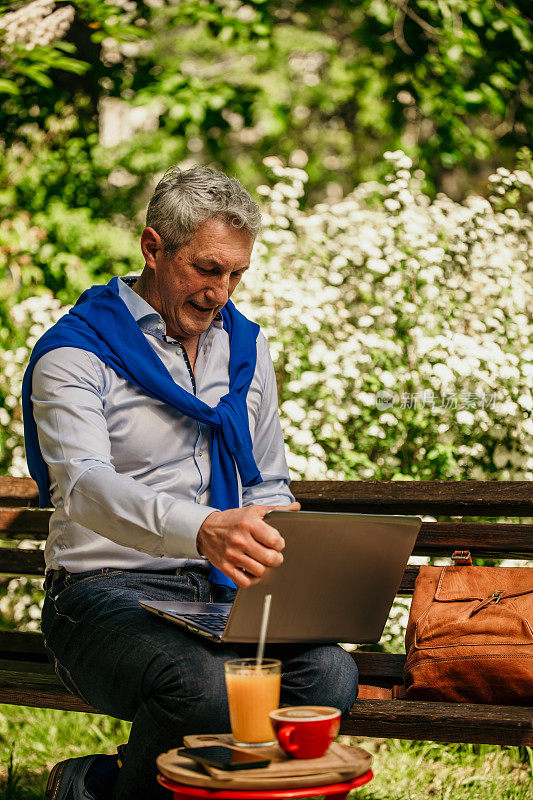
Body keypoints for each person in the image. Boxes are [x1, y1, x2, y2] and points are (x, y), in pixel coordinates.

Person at [23, 167, 359, 800]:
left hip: (215, 594)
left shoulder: (244, 352)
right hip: (98, 596)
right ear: (154, 248)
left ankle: (112, 782)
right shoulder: (76, 354)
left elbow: (266, 483)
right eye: (207, 269)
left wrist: (289, 562)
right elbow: (84, 487)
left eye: (236, 275)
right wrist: (201, 529)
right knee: (208, 686)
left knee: (330, 679)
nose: (221, 294)